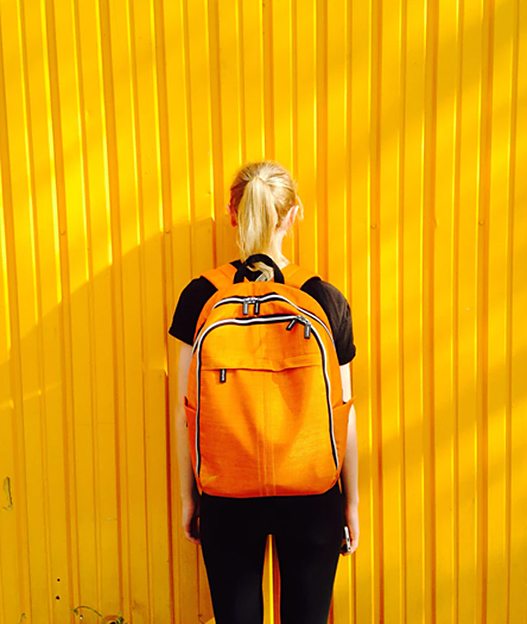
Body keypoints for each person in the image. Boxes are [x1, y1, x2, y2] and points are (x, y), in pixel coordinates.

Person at [169, 160, 359, 624]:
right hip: (312, 494)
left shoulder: (201, 295)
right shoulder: (324, 298)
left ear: (233, 214)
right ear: (293, 214)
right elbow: (344, 411)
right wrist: (350, 502)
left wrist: (189, 497)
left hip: (227, 494)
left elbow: (185, 409)